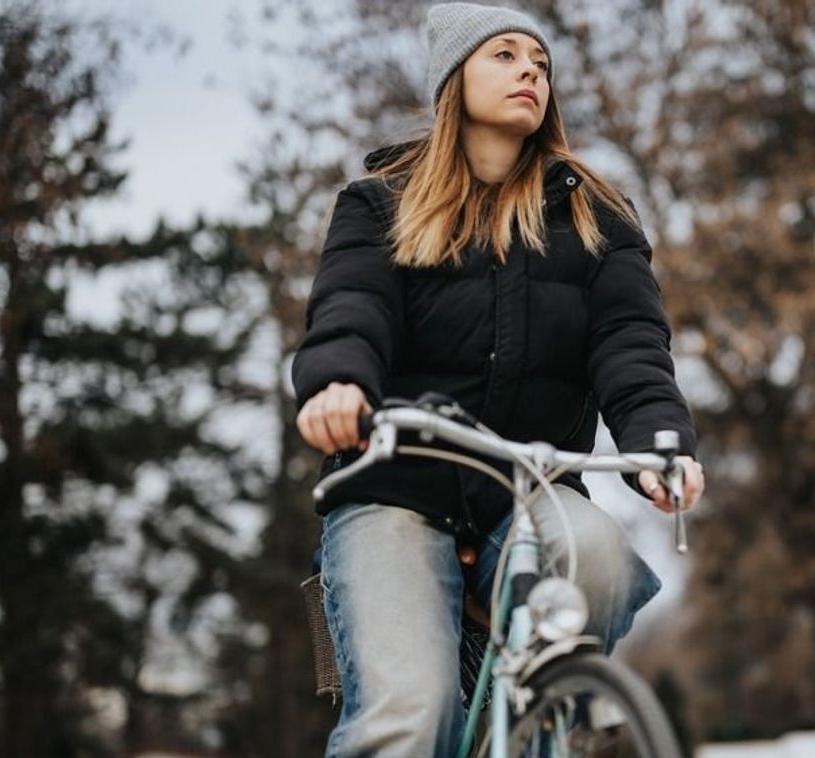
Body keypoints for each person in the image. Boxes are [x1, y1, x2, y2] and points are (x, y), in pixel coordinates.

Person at [289, 2, 704, 755]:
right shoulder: (380, 203)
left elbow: (630, 342)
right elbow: (352, 308)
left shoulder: (595, 216)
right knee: (409, 718)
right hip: (394, 482)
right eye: (504, 56)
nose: (529, 74)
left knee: (600, 559)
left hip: (530, 489)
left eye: (540, 64)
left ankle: (532, 703)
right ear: (455, 79)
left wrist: (662, 443)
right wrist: (338, 384)